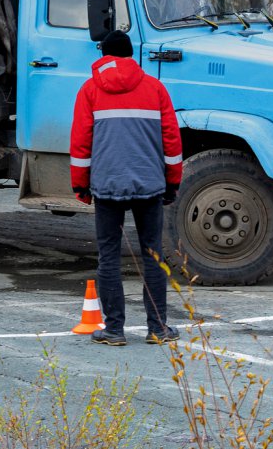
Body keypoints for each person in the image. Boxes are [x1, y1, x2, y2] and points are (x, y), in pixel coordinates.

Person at [69, 30, 184, 346]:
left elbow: (81, 144)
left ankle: (114, 330)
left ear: (103, 55)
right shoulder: (156, 89)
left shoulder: (90, 90)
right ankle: (158, 328)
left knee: (108, 256)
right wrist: (172, 182)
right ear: (131, 54)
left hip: (107, 186)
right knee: (152, 254)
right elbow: (172, 142)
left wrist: (80, 185)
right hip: (149, 185)